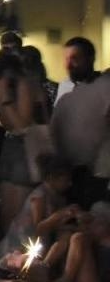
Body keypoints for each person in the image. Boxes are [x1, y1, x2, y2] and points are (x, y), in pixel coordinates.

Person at [0, 201, 110, 282]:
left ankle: (64, 280)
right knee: (77, 237)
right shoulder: (39, 280)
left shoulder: (54, 254)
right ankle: (65, 281)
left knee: (72, 236)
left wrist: (75, 218)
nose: (17, 253)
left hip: (90, 279)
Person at [0, 51, 46, 238]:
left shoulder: (24, 83)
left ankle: (21, 259)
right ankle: (6, 258)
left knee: (21, 211)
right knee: (6, 209)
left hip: (26, 146)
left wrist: (4, 97)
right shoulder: (5, 88)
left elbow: (23, 124)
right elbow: (5, 123)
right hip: (10, 143)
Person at [0, 155, 78, 275]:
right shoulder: (39, 196)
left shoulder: (58, 198)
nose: (69, 184)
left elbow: (54, 226)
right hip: (20, 245)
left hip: (37, 246)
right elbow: (38, 228)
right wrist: (60, 215)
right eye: (65, 180)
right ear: (51, 178)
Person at [50, 38, 110, 207]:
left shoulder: (105, 86)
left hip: (99, 174)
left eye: (75, 58)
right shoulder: (66, 91)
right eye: (67, 59)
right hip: (71, 174)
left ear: (90, 58)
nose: (69, 64)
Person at [56, 36, 98, 104]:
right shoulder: (64, 85)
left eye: (74, 58)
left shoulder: (104, 87)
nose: (68, 65)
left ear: (91, 59)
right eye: (66, 59)